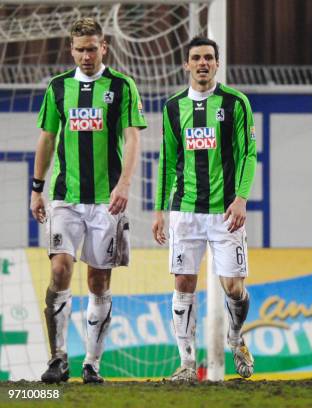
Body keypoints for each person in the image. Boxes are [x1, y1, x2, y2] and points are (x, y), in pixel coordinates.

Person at [31, 18, 146, 383]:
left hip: (106, 200)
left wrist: (125, 184)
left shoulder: (121, 86)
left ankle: (92, 364)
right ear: (71, 50)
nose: (86, 55)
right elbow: (48, 138)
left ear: (104, 47)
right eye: (79, 49)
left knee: (98, 281)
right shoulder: (58, 87)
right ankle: (58, 358)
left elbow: (132, 138)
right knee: (60, 268)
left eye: (92, 48)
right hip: (65, 197)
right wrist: (36, 188)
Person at [152, 36, 257, 381]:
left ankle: (236, 337)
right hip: (185, 211)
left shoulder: (236, 102)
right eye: (195, 57)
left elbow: (247, 154)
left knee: (233, 288)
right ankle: (186, 363)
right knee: (183, 282)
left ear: (216, 63)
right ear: (186, 64)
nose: (202, 63)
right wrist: (159, 210)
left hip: (226, 211)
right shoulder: (172, 108)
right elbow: (167, 161)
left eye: (208, 58)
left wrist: (241, 198)